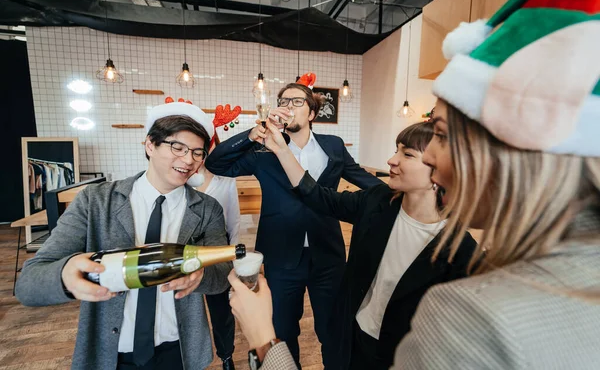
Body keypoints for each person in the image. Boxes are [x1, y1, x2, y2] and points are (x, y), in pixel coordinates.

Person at [230, 0, 600, 369]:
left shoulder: (473, 305)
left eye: (439, 136)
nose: (429, 157)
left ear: (498, 147)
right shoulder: (382, 206)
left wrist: (264, 341)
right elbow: (317, 195)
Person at [231, 121, 476, 369]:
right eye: (396, 149)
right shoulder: (378, 201)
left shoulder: (460, 252)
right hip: (350, 336)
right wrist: (283, 151)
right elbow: (318, 196)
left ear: (442, 171)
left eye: (407, 154)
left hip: (398, 356)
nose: (391, 160)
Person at [15, 102, 232, 370]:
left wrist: (202, 275)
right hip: (110, 352)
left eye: (198, 153)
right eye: (178, 147)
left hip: (179, 349)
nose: (188, 160)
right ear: (150, 145)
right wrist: (65, 274)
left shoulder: (207, 208)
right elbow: (28, 284)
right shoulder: (96, 201)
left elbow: (222, 275)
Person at [205, 75, 383, 368]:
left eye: (296, 101)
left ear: (311, 113)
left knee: (332, 329)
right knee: (284, 331)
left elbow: (362, 178)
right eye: (283, 101)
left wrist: (400, 193)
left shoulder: (333, 146)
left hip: (328, 255)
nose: (288, 106)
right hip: (281, 255)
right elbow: (216, 163)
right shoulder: (263, 150)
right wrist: (255, 132)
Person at [198, 132, 241, 370]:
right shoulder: (182, 178)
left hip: (219, 249)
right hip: (189, 248)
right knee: (191, 305)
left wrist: (233, 257)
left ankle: (226, 355)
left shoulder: (226, 180)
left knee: (221, 309)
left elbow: (233, 222)